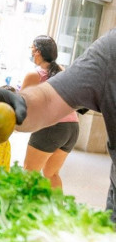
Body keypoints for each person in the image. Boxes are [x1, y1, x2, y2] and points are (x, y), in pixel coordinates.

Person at [0, 29, 116, 221]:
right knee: (51, 173)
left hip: (55, 130)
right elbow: (48, 99)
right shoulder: (110, 50)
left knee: (33, 170)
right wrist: (13, 103)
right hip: (72, 131)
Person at [21, 36, 79, 189]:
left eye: (31, 49)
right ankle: (57, 211)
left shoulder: (35, 74)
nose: (31, 53)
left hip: (51, 128)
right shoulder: (62, 70)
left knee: (28, 173)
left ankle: (21, 212)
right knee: (51, 174)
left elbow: (21, 105)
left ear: (37, 51)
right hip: (72, 128)